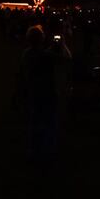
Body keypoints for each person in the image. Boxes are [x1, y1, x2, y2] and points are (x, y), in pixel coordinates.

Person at [18, 26, 70, 162]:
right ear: (41, 38)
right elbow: (66, 59)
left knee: (35, 122)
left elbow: (41, 55)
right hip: (47, 92)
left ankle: (33, 150)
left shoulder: (26, 54)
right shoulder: (45, 55)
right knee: (49, 122)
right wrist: (62, 44)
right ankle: (48, 152)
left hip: (32, 92)